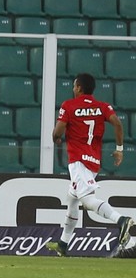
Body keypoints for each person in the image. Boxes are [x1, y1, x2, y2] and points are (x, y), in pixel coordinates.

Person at [46, 73, 133, 257]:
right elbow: (117, 123)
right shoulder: (102, 107)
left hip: (78, 160)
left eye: (74, 86)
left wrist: (56, 138)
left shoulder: (69, 105)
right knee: (72, 200)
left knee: (86, 200)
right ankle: (63, 243)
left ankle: (121, 220)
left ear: (79, 88)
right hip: (93, 161)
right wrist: (119, 149)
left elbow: (58, 130)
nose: (73, 89)